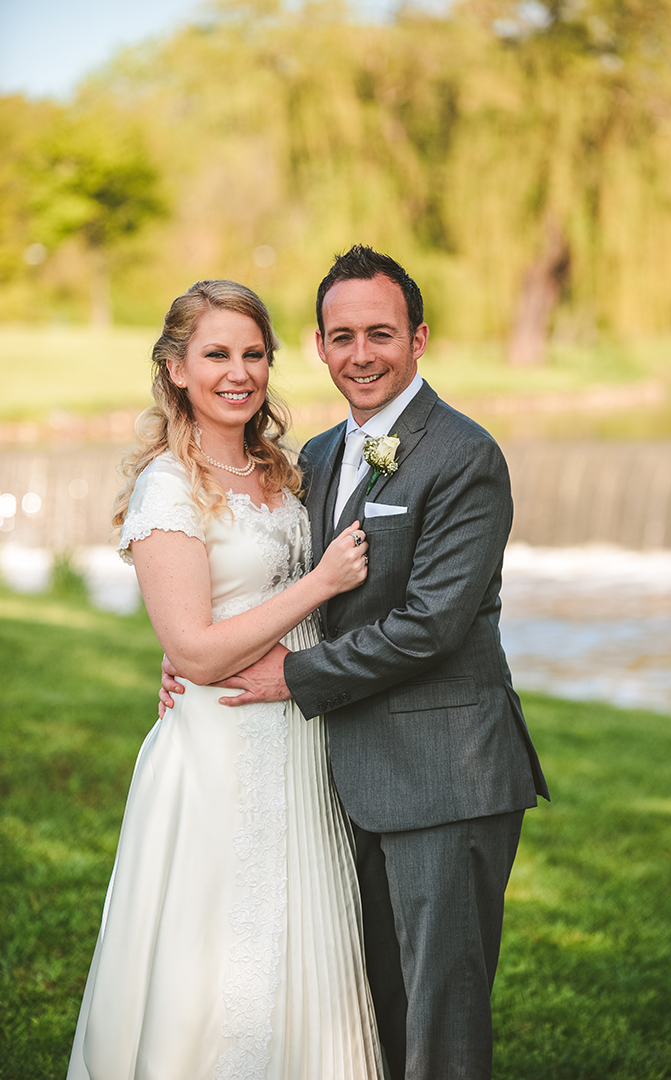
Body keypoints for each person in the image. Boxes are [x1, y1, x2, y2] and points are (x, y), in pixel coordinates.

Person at [162, 247, 550, 1080]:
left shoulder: (463, 456)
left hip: (446, 777)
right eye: (343, 336)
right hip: (343, 779)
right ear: (319, 344)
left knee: (439, 1023)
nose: (361, 353)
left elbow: (430, 626)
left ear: (419, 338)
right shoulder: (325, 452)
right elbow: (291, 590)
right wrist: (202, 654)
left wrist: (285, 677)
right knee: (370, 1017)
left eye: (381, 333)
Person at [67, 280, 385, 1080]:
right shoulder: (167, 486)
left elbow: (210, 620)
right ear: (177, 368)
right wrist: (319, 585)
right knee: (213, 966)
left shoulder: (285, 470)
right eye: (216, 354)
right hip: (217, 754)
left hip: (299, 742)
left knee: (299, 940)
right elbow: (200, 652)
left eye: (254, 354)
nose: (238, 372)